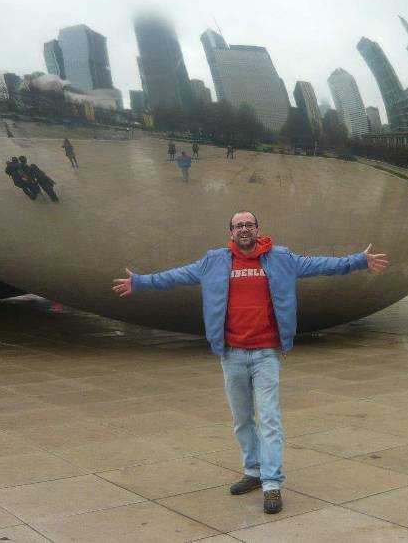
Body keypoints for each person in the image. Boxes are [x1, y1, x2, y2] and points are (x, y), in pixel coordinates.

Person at [112, 211, 388, 514]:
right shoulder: (213, 261)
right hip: (231, 353)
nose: (244, 229)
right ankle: (253, 472)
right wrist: (139, 283)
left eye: (249, 224)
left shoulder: (280, 258)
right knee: (242, 419)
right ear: (231, 233)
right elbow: (175, 276)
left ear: (257, 229)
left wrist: (358, 261)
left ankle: (271, 484)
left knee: (269, 419)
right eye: (238, 225)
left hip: (266, 352)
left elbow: (321, 264)